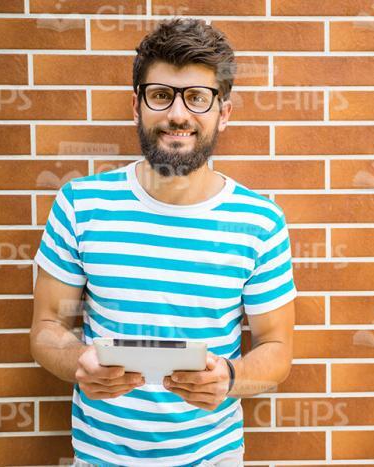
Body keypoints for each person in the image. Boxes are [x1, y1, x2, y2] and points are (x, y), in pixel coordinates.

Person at [30, 18, 296, 467]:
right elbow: (45, 328)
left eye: (197, 98)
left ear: (223, 112)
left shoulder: (259, 221)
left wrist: (230, 377)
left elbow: (277, 349)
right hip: (100, 459)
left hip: (212, 459)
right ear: (137, 106)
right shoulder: (80, 204)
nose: (177, 114)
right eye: (161, 95)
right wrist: (79, 362)